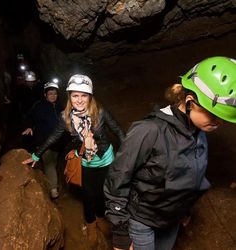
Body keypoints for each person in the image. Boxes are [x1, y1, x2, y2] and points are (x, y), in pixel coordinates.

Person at [104, 56, 236, 250]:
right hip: (143, 221)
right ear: (190, 101)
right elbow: (117, 179)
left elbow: (191, 173)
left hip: (171, 220)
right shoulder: (149, 131)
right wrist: (120, 233)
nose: (219, 123)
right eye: (215, 115)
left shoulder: (199, 132)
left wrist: (185, 210)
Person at [22, 74, 125, 248]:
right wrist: (36, 155)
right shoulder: (66, 117)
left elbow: (118, 131)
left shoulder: (100, 112)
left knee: (101, 193)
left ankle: (100, 218)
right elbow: (53, 136)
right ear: (70, 97)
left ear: (90, 96)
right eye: (75, 95)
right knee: (88, 194)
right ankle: (91, 223)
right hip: (85, 161)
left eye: (83, 95)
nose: (79, 100)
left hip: (106, 159)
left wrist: (129, 154)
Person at [22, 81, 63, 199]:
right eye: (50, 94)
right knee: (49, 163)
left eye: (55, 94)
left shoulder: (60, 107)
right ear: (45, 95)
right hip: (43, 141)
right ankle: (53, 189)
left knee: (53, 163)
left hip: (57, 143)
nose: (53, 96)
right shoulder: (39, 106)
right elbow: (29, 117)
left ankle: (50, 181)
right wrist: (29, 126)